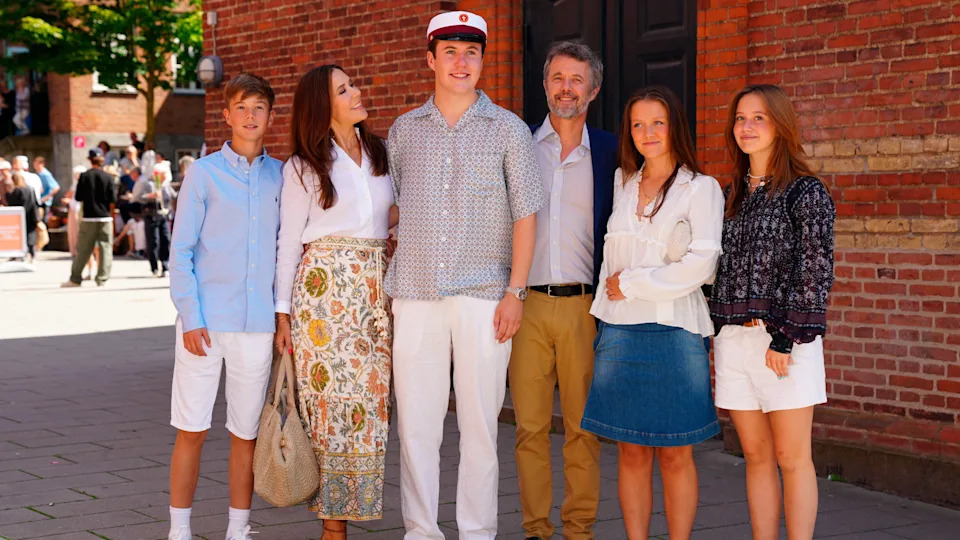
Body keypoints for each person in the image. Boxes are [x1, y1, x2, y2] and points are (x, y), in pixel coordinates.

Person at [386, 11, 544, 539]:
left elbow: (526, 214)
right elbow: (395, 206)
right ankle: (421, 531)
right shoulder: (404, 131)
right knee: (416, 426)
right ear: (430, 60)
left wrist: (516, 292)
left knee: (480, 427)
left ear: (482, 61)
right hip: (415, 294)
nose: (461, 62)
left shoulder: (509, 129)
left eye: (471, 52)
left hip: (485, 296)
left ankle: (477, 533)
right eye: (450, 52)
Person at [581, 86, 723, 540]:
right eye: (638, 125)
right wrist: (608, 308)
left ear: (674, 126)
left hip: (675, 333)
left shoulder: (700, 188)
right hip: (620, 333)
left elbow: (703, 264)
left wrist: (633, 283)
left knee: (676, 453)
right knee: (631, 451)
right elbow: (611, 257)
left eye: (657, 123)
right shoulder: (623, 183)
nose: (647, 133)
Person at [273, 64, 396, 538]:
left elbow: (391, 216)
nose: (356, 92)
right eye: (344, 90)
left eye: (352, 85)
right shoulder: (303, 166)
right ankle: (333, 528)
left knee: (369, 408)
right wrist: (282, 315)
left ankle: (351, 509)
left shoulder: (380, 152)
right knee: (328, 409)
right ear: (323, 107)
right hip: (323, 300)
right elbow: (288, 243)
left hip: (374, 297)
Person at [709, 84, 835, 540]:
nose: (746, 127)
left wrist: (785, 339)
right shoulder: (728, 196)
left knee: (792, 457)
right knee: (756, 457)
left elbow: (815, 270)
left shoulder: (805, 192)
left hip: (785, 342)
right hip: (734, 341)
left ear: (781, 125)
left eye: (758, 118)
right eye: (740, 118)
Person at [166, 73, 283, 540]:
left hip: (256, 327)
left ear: (270, 115)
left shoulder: (283, 176)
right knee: (191, 429)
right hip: (205, 324)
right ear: (226, 115)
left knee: (245, 434)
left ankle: (238, 529)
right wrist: (190, 318)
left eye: (259, 108)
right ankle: (179, 530)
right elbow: (181, 251)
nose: (250, 116)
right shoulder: (204, 173)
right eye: (242, 108)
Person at [509, 41, 617, 540]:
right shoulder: (519, 146)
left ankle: (579, 530)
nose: (565, 88)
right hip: (526, 305)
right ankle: (536, 529)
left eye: (576, 79)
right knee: (529, 428)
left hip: (584, 308)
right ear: (545, 85)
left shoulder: (613, 152)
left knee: (583, 428)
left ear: (593, 90)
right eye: (557, 78)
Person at [61, 149, 116, 287]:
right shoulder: (108, 177)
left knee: (84, 249)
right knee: (105, 249)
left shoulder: (84, 176)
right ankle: (102, 279)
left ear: (90, 160)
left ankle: (75, 278)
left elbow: (78, 197)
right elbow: (113, 199)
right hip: (105, 217)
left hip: (89, 217)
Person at [132, 164, 171, 277]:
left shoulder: (166, 185)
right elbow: (138, 197)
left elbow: (172, 196)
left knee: (166, 239)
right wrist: (151, 195)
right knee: (153, 241)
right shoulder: (148, 184)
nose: (165, 176)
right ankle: (154, 267)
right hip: (151, 215)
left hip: (163, 215)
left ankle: (165, 266)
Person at [6, 171, 40, 262]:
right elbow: (35, 202)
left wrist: (8, 193)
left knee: (20, 235)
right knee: (30, 235)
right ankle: (32, 254)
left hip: (19, 216)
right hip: (31, 215)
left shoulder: (16, 191)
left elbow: (11, 203)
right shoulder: (30, 189)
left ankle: (18, 255)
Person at [33, 156, 60, 223]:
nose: (35, 166)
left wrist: (48, 196)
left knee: (45, 221)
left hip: (45, 202)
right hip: (39, 200)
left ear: (42, 164)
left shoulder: (46, 174)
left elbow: (56, 187)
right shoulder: (36, 174)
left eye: (36, 164)